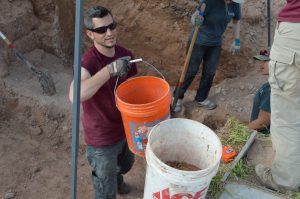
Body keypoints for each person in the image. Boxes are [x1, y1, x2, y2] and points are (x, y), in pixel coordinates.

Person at [69, 6, 137, 199]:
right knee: (105, 191)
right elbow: (75, 95)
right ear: (90, 34)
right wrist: (109, 70)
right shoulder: (88, 62)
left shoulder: (126, 55)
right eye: (101, 30)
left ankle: (117, 180)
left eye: (112, 26)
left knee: (125, 165)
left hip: (124, 129)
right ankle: (109, 186)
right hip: (101, 138)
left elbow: (134, 89)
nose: (109, 33)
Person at [255, 0, 300, 193]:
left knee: (288, 117)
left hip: (295, 29)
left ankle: (284, 181)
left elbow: (263, 121)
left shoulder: (264, 92)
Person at [173, 0, 243, 112]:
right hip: (198, 41)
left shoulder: (235, 5)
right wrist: (195, 20)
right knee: (191, 70)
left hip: (215, 43)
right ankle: (177, 97)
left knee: (210, 72)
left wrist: (237, 40)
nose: (231, 1)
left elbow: (236, 21)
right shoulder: (209, 1)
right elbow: (195, 16)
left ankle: (201, 98)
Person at [247, 50, 270, 134]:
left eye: (265, 61)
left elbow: (262, 123)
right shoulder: (269, 86)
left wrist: (244, 130)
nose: (261, 64)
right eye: (261, 61)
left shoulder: (271, 89)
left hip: (263, 137)